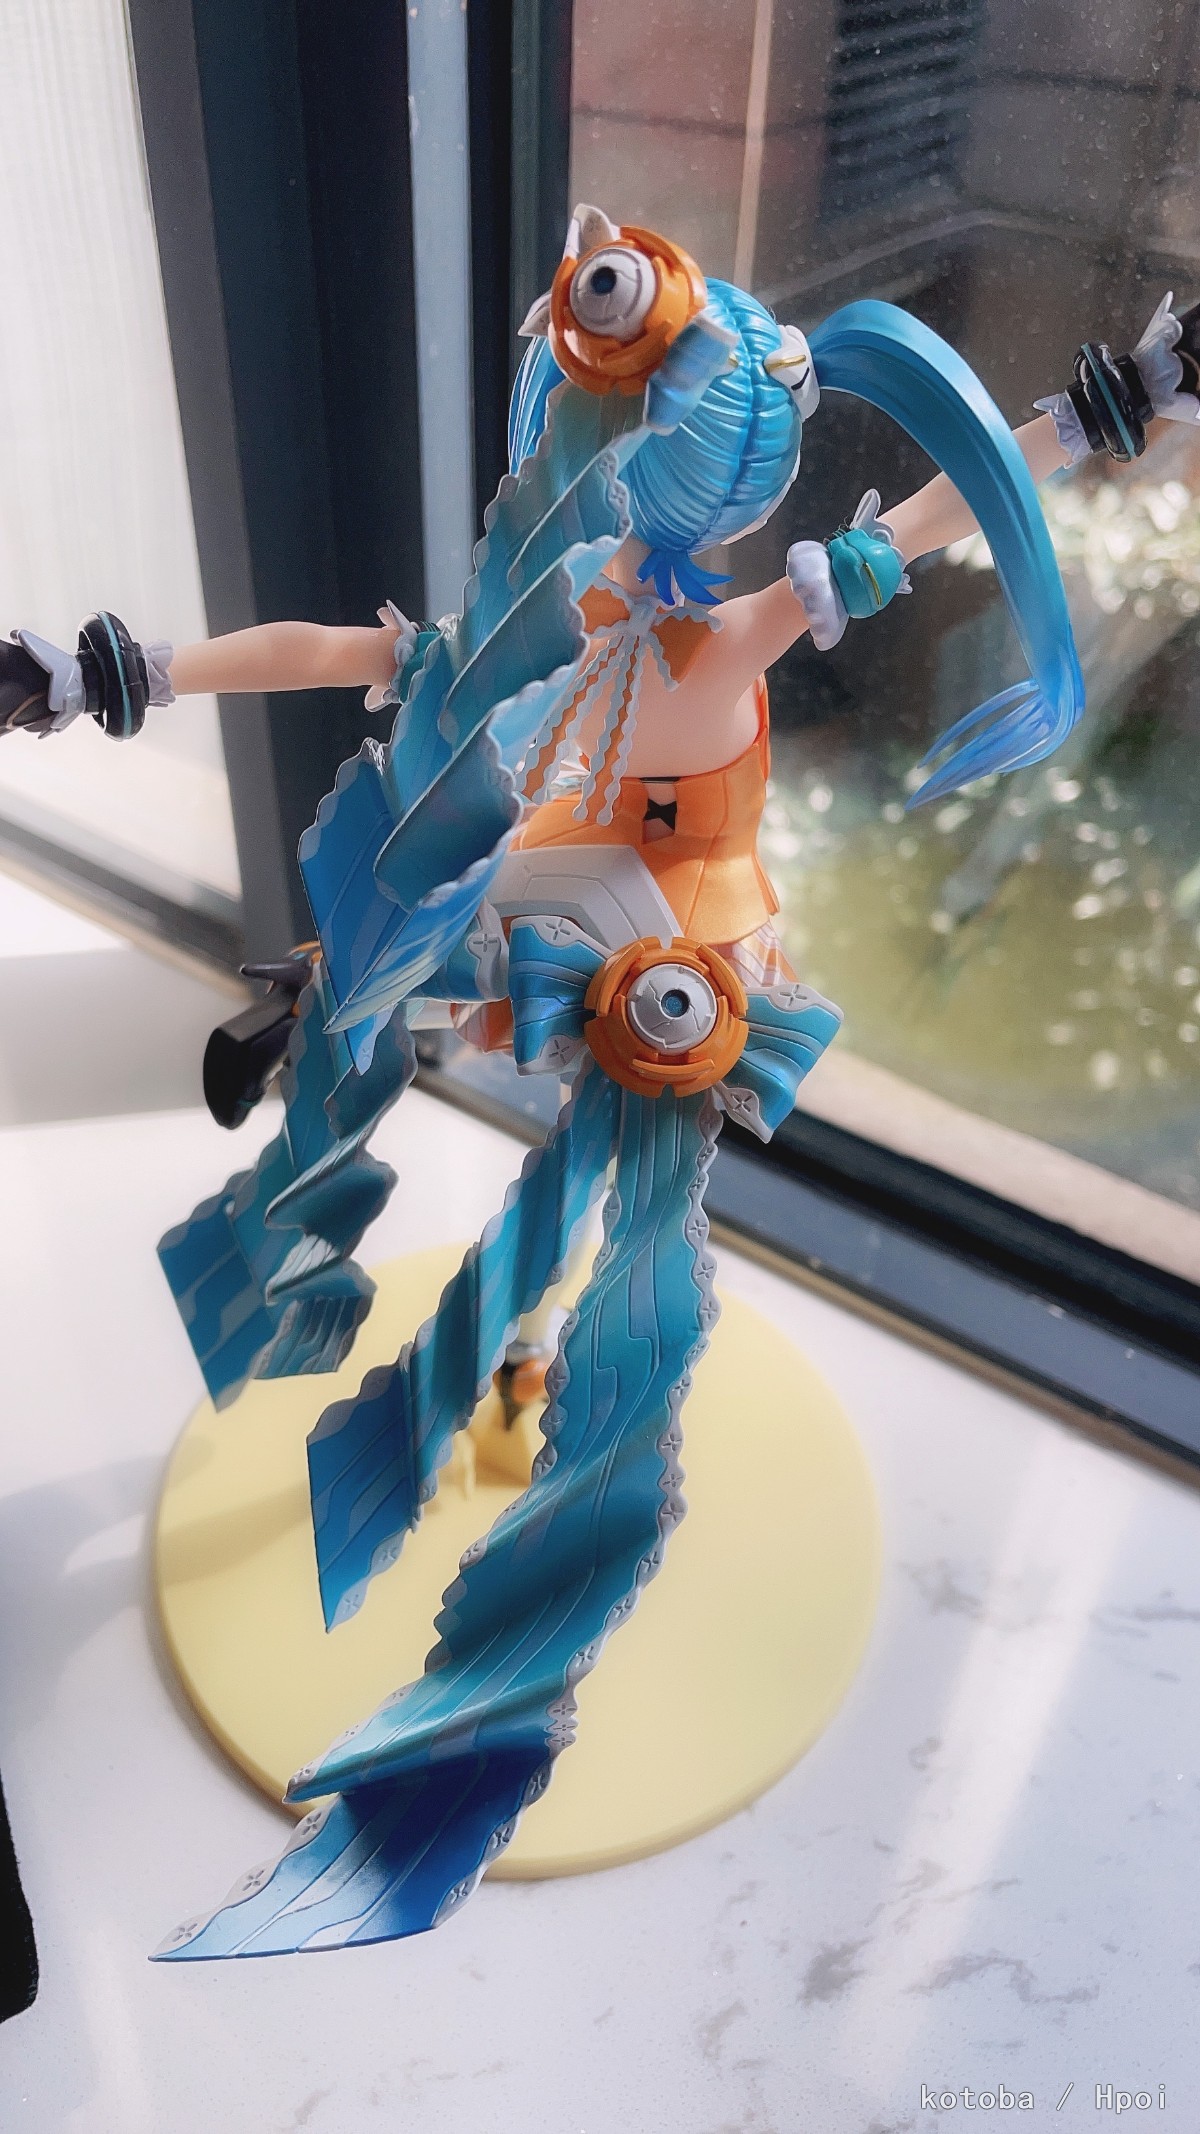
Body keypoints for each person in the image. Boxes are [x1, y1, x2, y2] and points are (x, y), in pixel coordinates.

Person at [5, 210, 1196, 1958]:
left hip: (671, 952)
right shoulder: (549, 628)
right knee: (429, 922)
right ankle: (369, 1099)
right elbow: (340, 652)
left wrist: (1120, 403)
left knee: (621, 1176)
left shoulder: (726, 636)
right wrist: (106, 675)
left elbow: (931, 519)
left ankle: (518, 1467)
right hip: (557, 896)